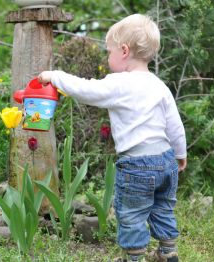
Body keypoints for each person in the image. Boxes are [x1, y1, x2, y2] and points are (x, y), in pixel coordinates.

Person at [38, 13, 187, 262]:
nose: (108, 58)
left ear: (124, 51)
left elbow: (85, 90)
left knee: (131, 213)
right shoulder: (159, 85)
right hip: (165, 160)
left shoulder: (119, 83)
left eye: (110, 52)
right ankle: (167, 251)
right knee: (162, 208)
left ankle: (134, 258)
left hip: (137, 165)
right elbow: (175, 126)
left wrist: (54, 76)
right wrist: (180, 154)